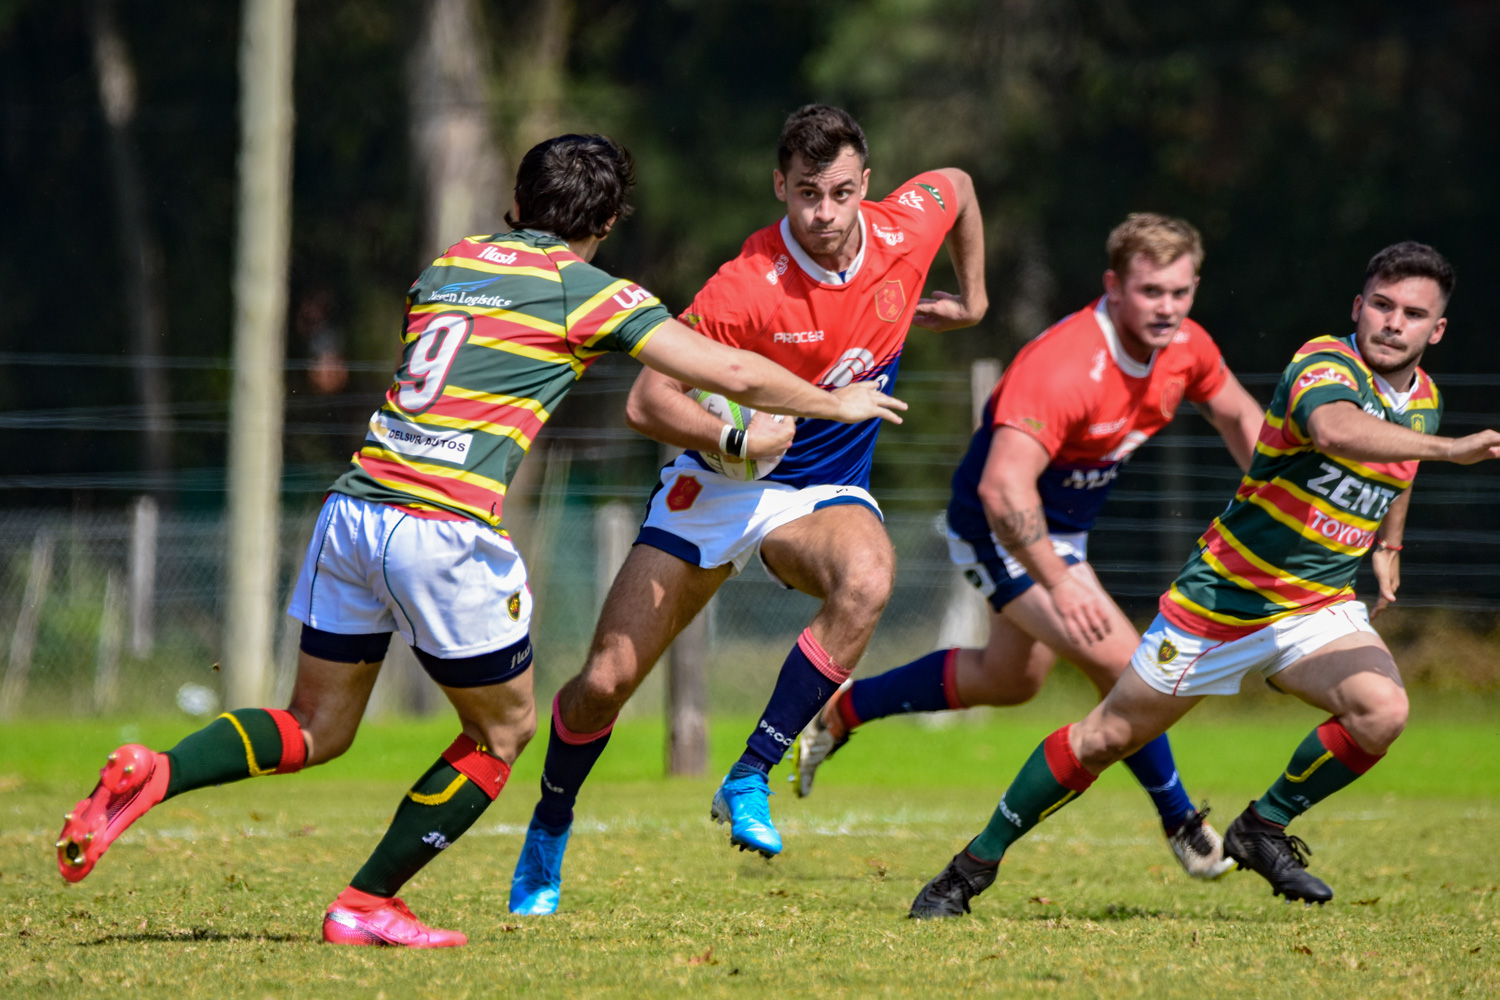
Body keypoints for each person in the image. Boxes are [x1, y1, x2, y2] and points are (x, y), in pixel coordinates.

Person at [53, 134, 904, 948]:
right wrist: (835, 404)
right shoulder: (593, 290)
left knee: (312, 724)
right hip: (444, 528)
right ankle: (365, 903)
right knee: (502, 735)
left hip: (353, 510)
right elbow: (733, 373)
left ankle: (158, 771)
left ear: (514, 203)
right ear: (605, 226)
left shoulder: (448, 264)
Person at [908, 241, 1500, 918]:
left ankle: (1262, 828)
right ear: (1357, 306)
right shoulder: (1322, 365)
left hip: (1315, 605)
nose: (1394, 323)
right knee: (1106, 738)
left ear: (1437, 330)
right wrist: (1452, 450)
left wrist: (1391, 539)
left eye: (1414, 313)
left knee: (1382, 711)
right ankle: (969, 869)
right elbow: (1339, 433)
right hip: (1221, 602)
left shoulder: (1423, 398)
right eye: (1383, 305)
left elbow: (1399, 466)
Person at [508, 104, 987, 915]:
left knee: (868, 578)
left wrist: (974, 301)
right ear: (780, 188)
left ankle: (749, 773)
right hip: (717, 488)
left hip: (820, 495)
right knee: (604, 683)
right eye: (807, 195)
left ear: (867, 185)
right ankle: (549, 828)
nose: (825, 215)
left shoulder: (907, 227)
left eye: (840, 193)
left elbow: (963, 187)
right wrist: (735, 435)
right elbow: (648, 403)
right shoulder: (747, 283)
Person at [793, 214, 1266, 879]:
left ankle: (846, 709)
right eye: (1151, 291)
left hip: (1057, 533)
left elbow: (1243, 417)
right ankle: (1184, 824)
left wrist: (1277, 499)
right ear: (1113, 286)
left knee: (1010, 680)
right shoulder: (1065, 365)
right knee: (1126, 663)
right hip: (997, 526)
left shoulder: (1188, 346)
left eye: (1181, 292)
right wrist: (1061, 578)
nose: (1168, 308)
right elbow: (1003, 488)